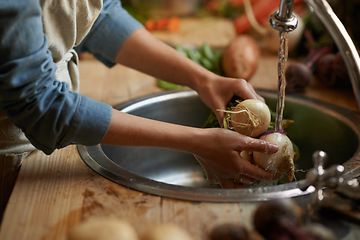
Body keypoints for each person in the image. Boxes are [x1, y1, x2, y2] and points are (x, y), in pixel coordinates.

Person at [0, 0, 279, 219]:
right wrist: (196, 141)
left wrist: (204, 79)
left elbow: (95, 15)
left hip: (49, 144)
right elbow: (41, 104)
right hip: (10, 161)